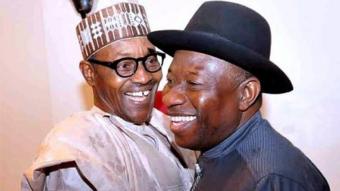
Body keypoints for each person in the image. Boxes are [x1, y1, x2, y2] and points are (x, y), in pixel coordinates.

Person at [147, 1, 330, 191]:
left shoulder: (269, 180)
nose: (169, 98)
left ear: (246, 94)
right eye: (171, 81)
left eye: (193, 83)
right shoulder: (218, 147)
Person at [21, 0, 193, 190]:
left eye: (150, 60)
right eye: (124, 65)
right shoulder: (75, 152)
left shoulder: (168, 124)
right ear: (89, 73)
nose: (144, 77)